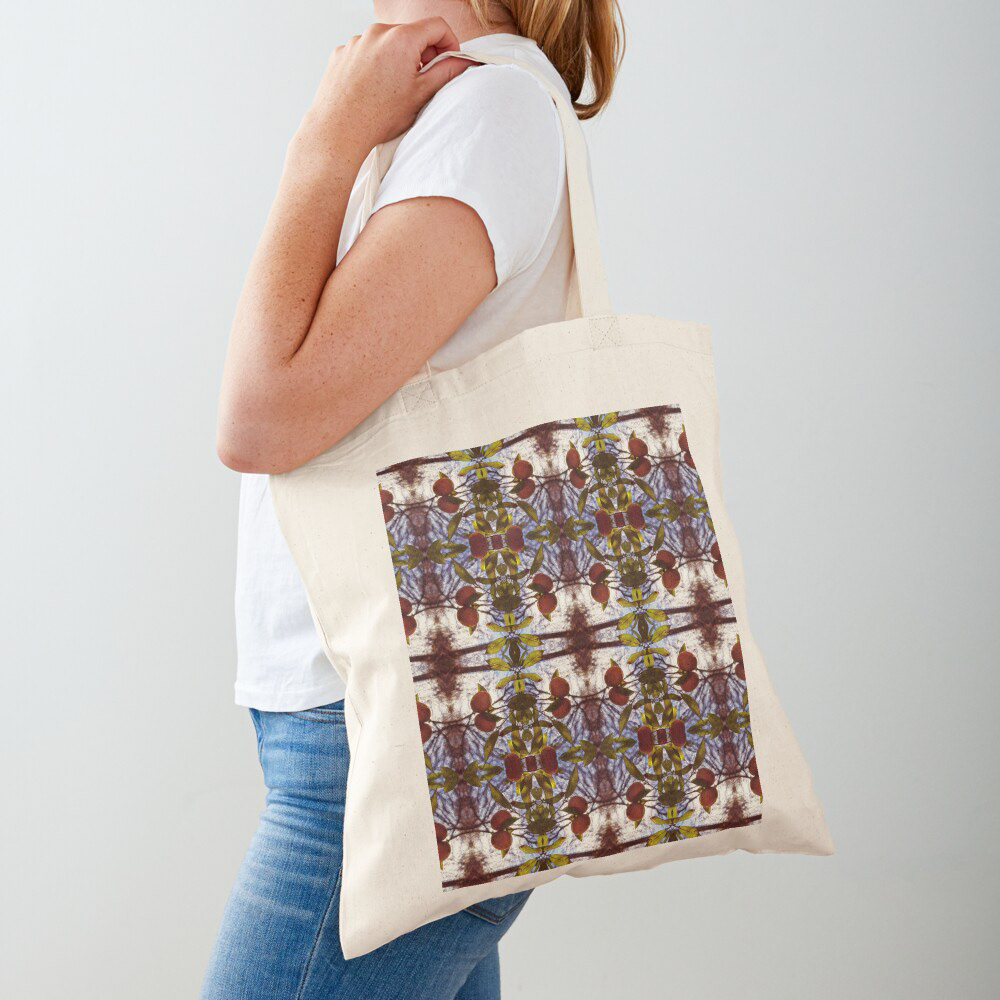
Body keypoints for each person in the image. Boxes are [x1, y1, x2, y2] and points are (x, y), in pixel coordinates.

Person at [204, 2, 623, 997]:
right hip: (373, 730)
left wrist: (324, 142)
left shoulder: (491, 110)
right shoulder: (447, 108)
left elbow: (260, 416)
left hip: (391, 752)